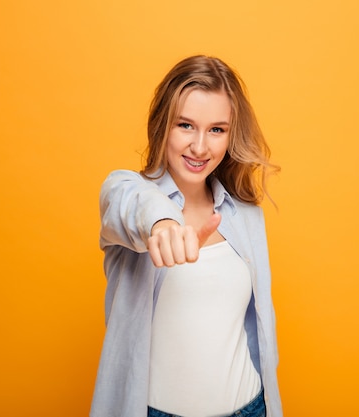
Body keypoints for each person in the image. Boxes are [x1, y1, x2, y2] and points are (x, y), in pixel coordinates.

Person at [90, 55, 282, 417]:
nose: (199, 147)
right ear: (163, 125)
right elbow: (127, 201)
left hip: (251, 407)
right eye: (185, 125)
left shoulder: (246, 215)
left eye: (216, 130)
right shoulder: (129, 195)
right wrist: (161, 223)